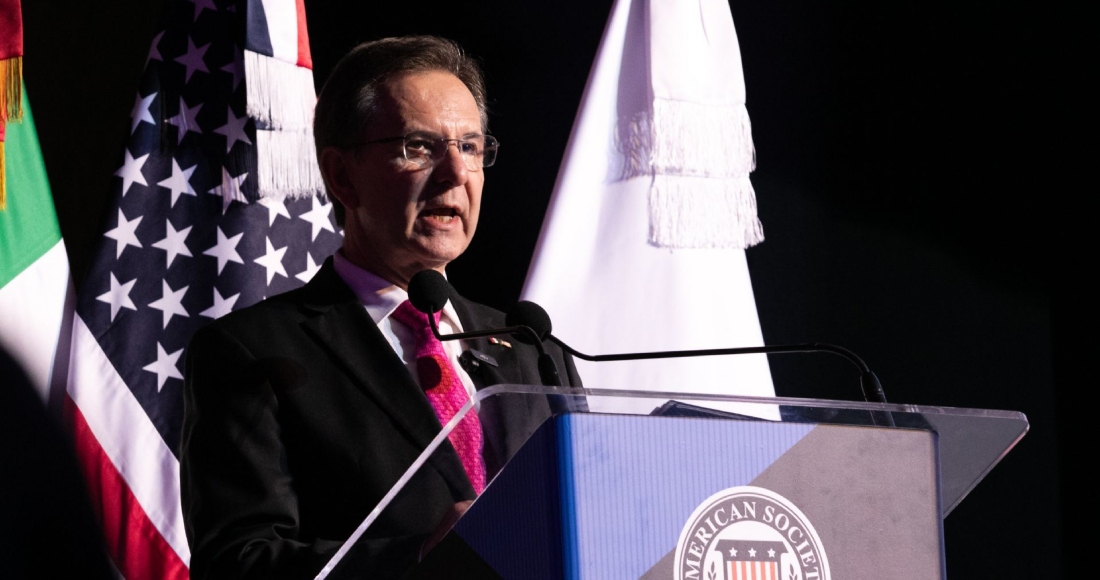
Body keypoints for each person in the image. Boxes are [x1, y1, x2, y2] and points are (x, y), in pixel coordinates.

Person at [180, 35, 582, 579]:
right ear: (343, 176)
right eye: (418, 147)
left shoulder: (534, 351)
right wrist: (416, 560)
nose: (455, 174)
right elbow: (238, 562)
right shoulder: (254, 351)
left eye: (469, 147)